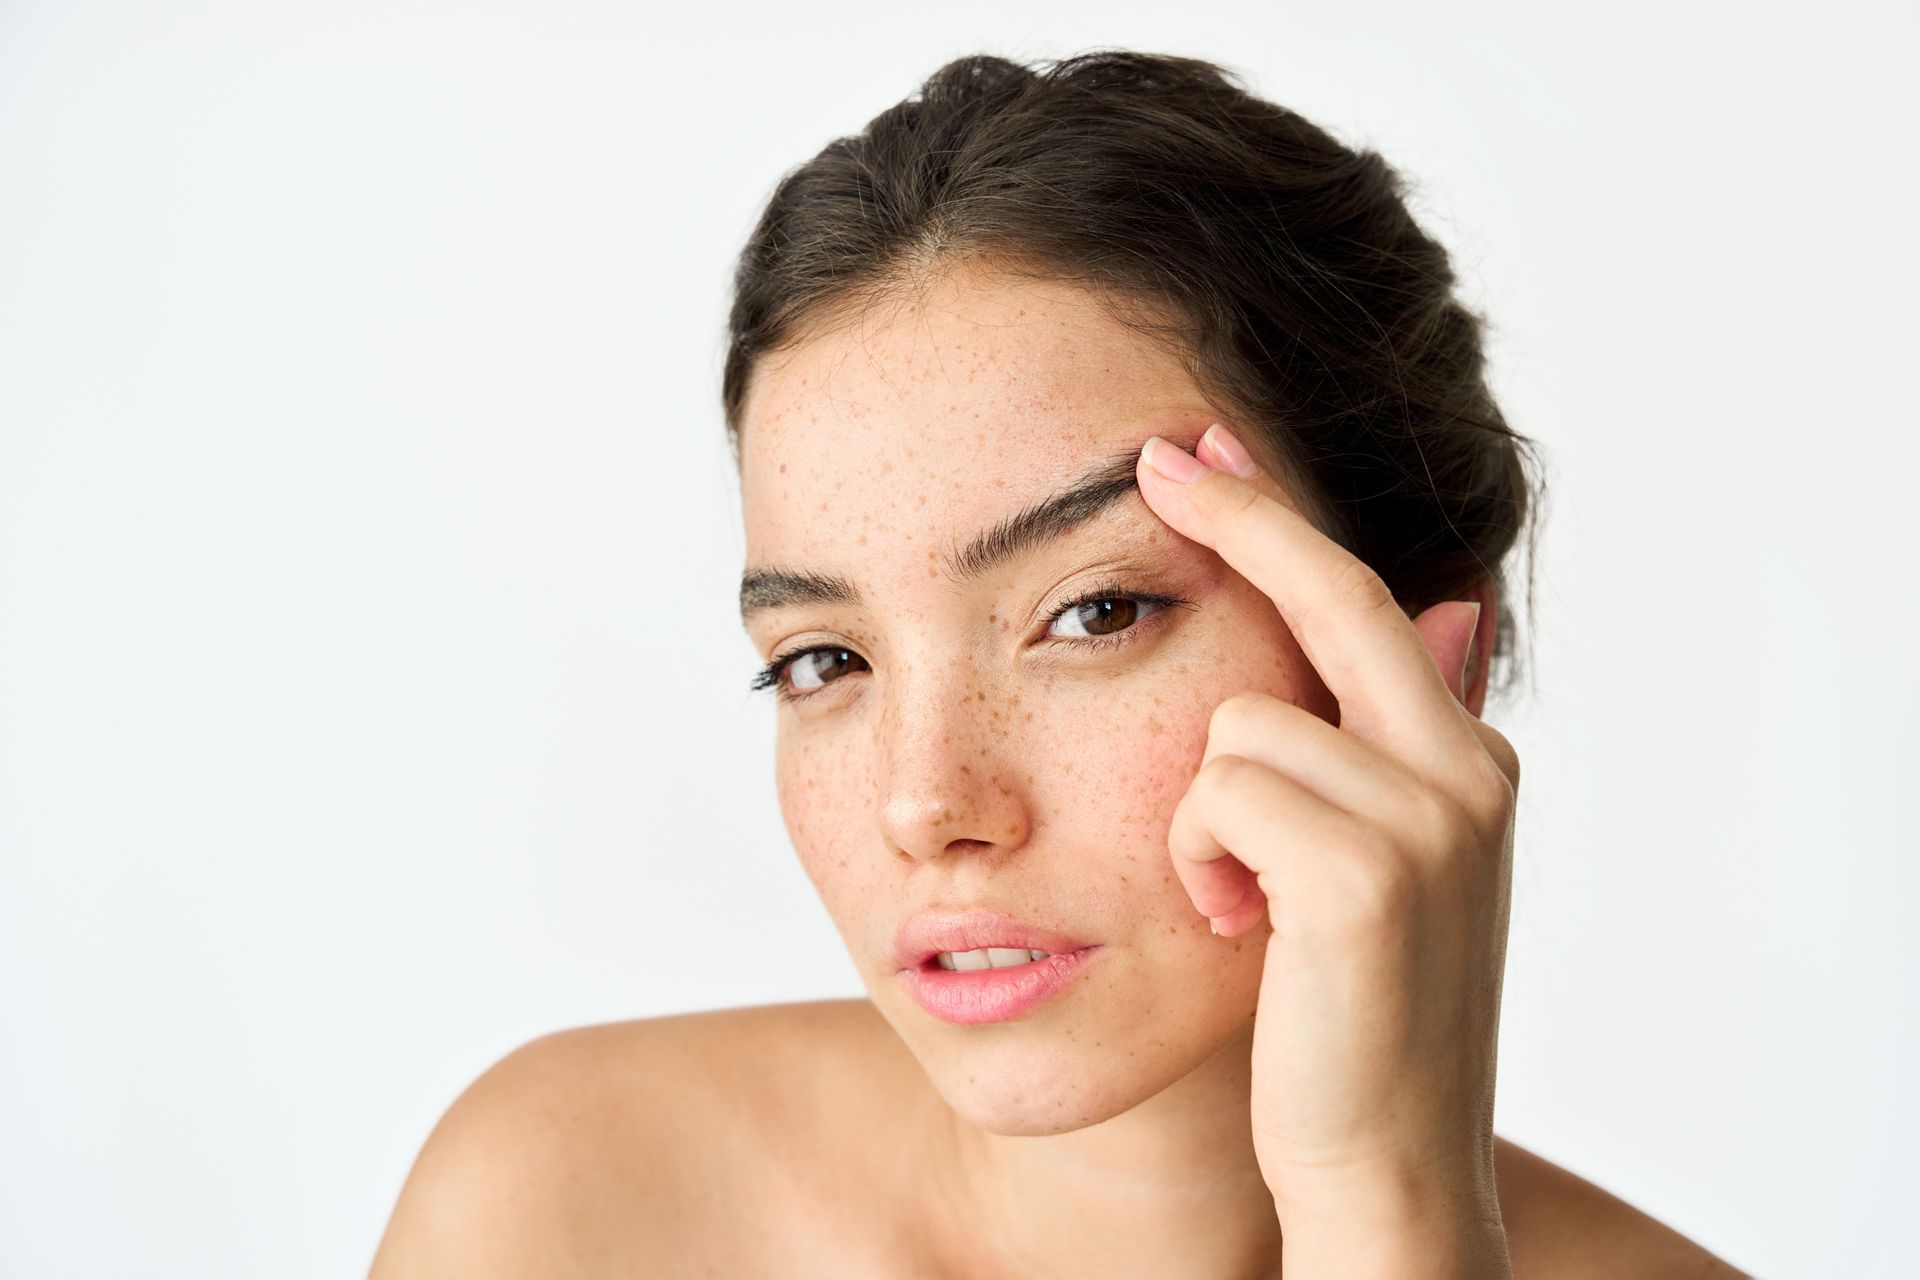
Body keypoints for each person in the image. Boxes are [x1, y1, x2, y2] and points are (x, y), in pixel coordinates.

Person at [370, 50, 1748, 1278]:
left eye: (1094, 615)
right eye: (825, 659)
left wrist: (1385, 1216)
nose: (926, 804)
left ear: (1426, 666)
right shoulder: (561, 1215)